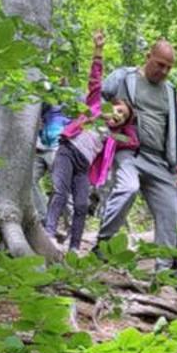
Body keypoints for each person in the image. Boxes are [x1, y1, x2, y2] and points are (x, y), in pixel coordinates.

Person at [95, 40, 177, 281]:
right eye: (160, 64)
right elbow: (98, 95)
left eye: (169, 67)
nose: (164, 71)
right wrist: (107, 118)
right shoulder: (124, 77)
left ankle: (163, 271)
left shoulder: (170, 91)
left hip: (160, 160)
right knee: (128, 188)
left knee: (170, 210)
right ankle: (103, 245)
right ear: (148, 56)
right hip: (130, 151)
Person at [44, 31, 107, 252]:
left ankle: (74, 246)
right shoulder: (96, 107)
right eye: (116, 109)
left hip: (84, 166)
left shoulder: (115, 134)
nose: (117, 114)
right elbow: (95, 80)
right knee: (60, 192)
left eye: (122, 113)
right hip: (68, 150)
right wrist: (98, 51)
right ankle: (48, 233)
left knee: (81, 204)